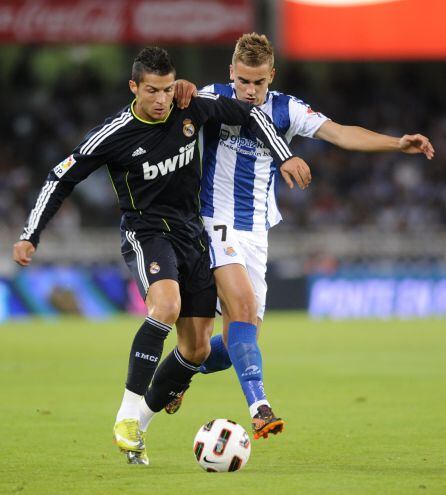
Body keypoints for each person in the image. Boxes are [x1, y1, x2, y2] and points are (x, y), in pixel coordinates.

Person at [12, 46, 312, 465]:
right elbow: (61, 176)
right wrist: (30, 234)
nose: (161, 100)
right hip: (147, 231)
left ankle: (147, 419)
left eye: (168, 90)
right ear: (134, 86)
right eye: (152, 91)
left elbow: (251, 115)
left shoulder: (191, 106)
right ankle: (126, 416)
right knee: (166, 304)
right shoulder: (114, 134)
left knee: (197, 350)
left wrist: (286, 156)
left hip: (193, 233)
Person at [168, 33, 435, 439]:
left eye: (259, 82)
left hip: (256, 232)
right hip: (213, 220)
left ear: (271, 75)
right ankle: (260, 408)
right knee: (240, 306)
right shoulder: (214, 98)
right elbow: (171, 107)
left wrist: (397, 143)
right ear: (231, 74)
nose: (251, 90)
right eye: (243, 80)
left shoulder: (287, 110)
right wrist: (180, 91)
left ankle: (179, 370)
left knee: (227, 346)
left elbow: (341, 133)